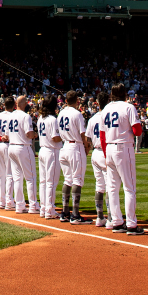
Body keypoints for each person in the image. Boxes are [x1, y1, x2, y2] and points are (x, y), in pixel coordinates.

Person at [99, 83, 144, 235]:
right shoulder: (128, 107)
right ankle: (131, 224)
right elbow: (137, 131)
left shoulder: (105, 109)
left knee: (112, 188)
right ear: (124, 93)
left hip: (109, 148)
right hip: (124, 147)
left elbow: (102, 136)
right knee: (129, 187)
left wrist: (106, 155)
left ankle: (117, 222)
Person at [57, 90, 90, 223]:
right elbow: (83, 134)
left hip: (64, 147)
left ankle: (65, 212)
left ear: (65, 101)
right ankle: (75, 214)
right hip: (75, 146)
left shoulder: (61, 113)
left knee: (67, 180)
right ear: (77, 100)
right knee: (77, 180)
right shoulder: (77, 114)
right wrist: (86, 146)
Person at [6, 95, 39, 213]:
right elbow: (29, 134)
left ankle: (19, 205)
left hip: (12, 146)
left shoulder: (10, 116)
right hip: (23, 147)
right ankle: (33, 205)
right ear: (24, 104)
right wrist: (35, 134)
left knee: (17, 178)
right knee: (30, 178)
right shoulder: (25, 116)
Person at [85, 90, 109, 227]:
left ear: (97, 103)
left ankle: (100, 217)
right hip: (105, 152)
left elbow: (87, 139)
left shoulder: (93, 118)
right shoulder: (108, 116)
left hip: (95, 152)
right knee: (110, 186)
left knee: (99, 186)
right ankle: (111, 217)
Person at [36, 96, 62, 218]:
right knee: (51, 182)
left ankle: (44, 207)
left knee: (43, 181)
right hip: (52, 150)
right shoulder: (53, 119)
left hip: (42, 150)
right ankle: (50, 209)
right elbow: (55, 138)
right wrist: (66, 135)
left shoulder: (41, 118)